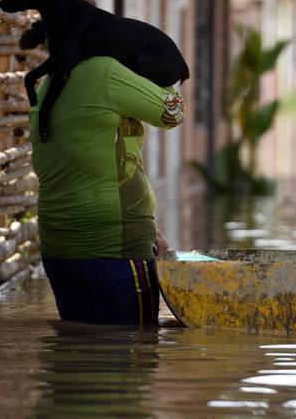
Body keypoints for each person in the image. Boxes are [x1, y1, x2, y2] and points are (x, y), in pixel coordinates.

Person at [30, 56, 186, 326]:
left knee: (75, 349)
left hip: (59, 248)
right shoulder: (105, 71)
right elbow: (173, 113)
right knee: (135, 349)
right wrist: (166, 78)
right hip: (116, 246)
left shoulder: (51, 80)